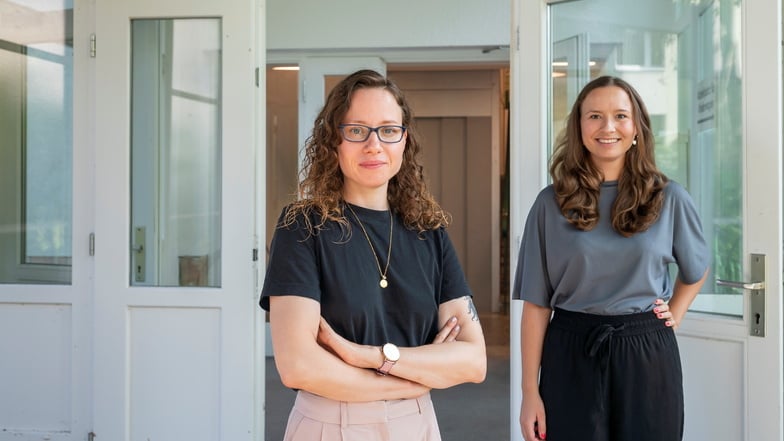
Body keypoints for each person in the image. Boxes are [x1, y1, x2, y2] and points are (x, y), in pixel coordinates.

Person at [260, 69, 486, 441]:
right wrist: (413, 379)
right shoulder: (303, 226)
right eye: (357, 130)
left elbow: (474, 361)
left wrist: (363, 356)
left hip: (417, 424)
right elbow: (299, 367)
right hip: (331, 424)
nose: (373, 145)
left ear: (404, 140)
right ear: (334, 141)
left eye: (388, 130)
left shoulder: (428, 231)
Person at [513, 75, 710, 441]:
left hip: (647, 353)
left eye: (621, 115)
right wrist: (529, 393)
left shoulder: (670, 198)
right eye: (594, 116)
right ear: (579, 127)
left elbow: (696, 267)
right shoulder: (548, 203)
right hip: (570, 350)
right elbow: (536, 306)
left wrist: (676, 314)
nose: (608, 127)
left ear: (636, 127)